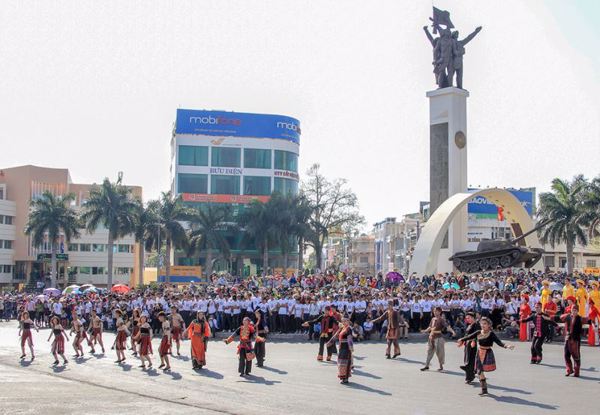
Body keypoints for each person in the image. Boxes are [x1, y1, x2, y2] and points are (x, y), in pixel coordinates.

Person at [457, 317, 514, 396]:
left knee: (480, 371)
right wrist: (462, 339)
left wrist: (507, 346)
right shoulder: (478, 332)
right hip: (479, 353)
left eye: (485, 324)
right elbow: (469, 336)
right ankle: (484, 389)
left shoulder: (491, 334)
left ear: (489, 325)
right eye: (482, 323)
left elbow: (499, 342)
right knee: (479, 371)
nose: (483, 325)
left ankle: (484, 389)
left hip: (487, 353)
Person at [554, 304, 586, 377]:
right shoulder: (567, 316)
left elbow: (589, 320)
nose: (573, 311)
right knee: (566, 355)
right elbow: (558, 317)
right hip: (568, 338)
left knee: (576, 356)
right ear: (571, 310)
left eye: (575, 310)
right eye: (572, 310)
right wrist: (549, 317)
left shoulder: (580, 318)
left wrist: (594, 323)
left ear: (577, 311)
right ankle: (569, 370)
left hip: (576, 340)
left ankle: (576, 371)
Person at [421, 307, 456, 372]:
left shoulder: (442, 319)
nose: (435, 312)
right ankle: (426, 366)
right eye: (434, 311)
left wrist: (453, 332)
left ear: (439, 312)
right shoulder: (433, 319)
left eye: (436, 311)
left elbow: (447, 327)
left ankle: (441, 366)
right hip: (431, 337)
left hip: (439, 338)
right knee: (429, 352)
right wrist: (425, 331)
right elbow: (430, 327)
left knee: (440, 353)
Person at [327, 317, 353, 384]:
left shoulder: (348, 329)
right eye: (343, 321)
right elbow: (336, 336)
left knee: (345, 363)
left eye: (345, 321)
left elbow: (350, 338)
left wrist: (351, 347)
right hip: (341, 348)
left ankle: (346, 378)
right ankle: (343, 377)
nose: (344, 322)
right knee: (341, 363)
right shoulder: (341, 328)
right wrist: (330, 342)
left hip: (346, 348)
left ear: (348, 321)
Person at [459, 312, 480, 384]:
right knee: (467, 359)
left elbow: (476, 334)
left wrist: (474, 340)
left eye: (469, 318)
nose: (467, 319)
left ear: (473, 317)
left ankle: (469, 377)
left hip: (472, 344)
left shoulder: (476, 324)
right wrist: (462, 342)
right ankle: (470, 375)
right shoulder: (469, 325)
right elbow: (466, 334)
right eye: (466, 318)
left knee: (470, 360)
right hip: (467, 343)